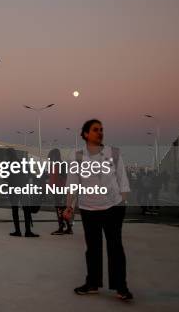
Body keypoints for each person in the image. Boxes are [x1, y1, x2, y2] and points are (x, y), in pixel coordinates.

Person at [64, 119, 133, 301]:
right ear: (86, 134)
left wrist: (122, 203)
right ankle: (92, 283)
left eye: (101, 129)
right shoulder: (77, 156)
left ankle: (121, 287)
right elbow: (72, 183)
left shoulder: (114, 153)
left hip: (113, 208)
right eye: (95, 130)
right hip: (88, 209)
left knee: (115, 248)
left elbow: (122, 179)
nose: (100, 132)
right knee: (92, 249)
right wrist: (69, 206)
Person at [6, 149, 39, 238]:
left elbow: (6, 178)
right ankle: (28, 231)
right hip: (23, 189)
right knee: (26, 210)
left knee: (15, 210)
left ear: (9, 155)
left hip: (13, 190)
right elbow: (30, 174)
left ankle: (18, 231)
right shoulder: (22, 162)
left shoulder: (8, 164)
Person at [48, 148, 72, 235]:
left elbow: (63, 177)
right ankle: (68, 228)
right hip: (57, 189)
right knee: (62, 208)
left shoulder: (61, 165)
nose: (50, 159)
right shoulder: (58, 164)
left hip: (60, 189)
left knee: (60, 209)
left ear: (55, 156)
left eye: (51, 157)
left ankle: (61, 227)